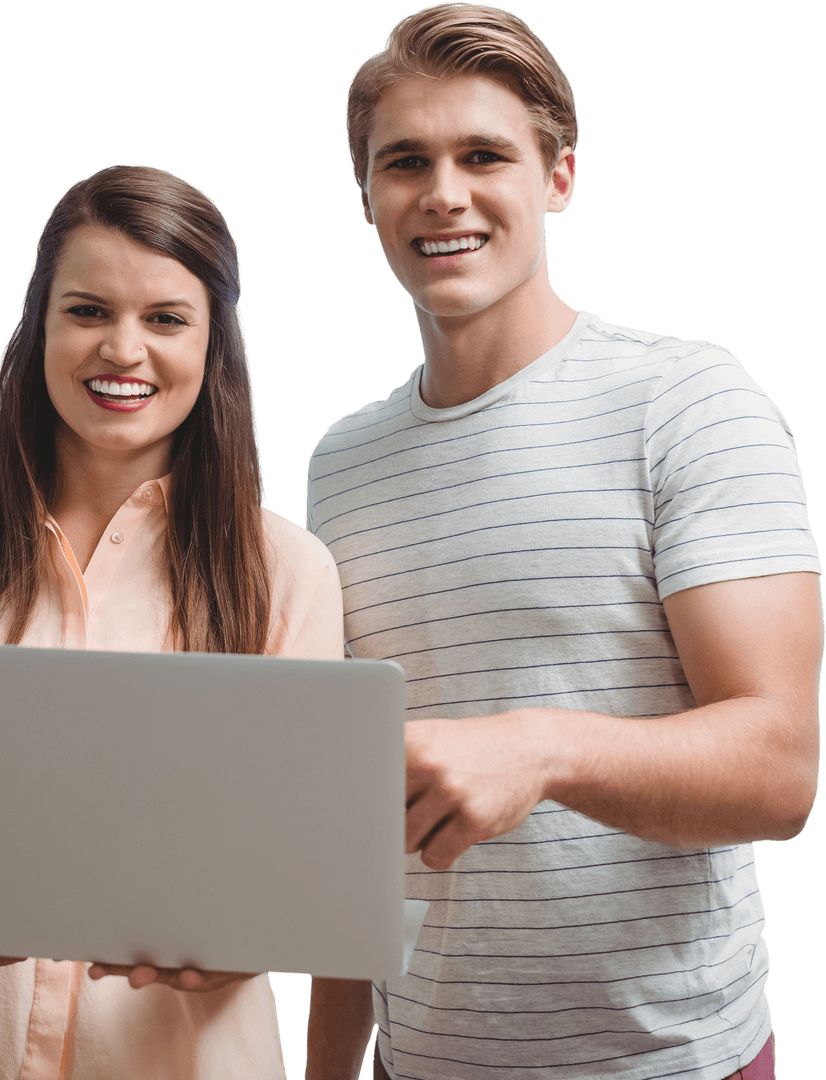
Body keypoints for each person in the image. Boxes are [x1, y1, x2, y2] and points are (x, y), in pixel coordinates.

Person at [303, 5, 821, 1080]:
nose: (441, 191)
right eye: (404, 162)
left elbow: (780, 768)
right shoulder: (339, 463)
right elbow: (352, 814)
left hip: (671, 1064)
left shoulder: (684, 400)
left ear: (558, 178)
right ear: (366, 200)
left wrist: (540, 749)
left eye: (482, 154)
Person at [0, 164, 343, 1079]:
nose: (122, 350)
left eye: (166, 319)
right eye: (88, 311)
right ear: (38, 329)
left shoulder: (285, 570)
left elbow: (296, 882)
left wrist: (230, 937)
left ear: (217, 347)